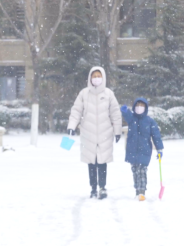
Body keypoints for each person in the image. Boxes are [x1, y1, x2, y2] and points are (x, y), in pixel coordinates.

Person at [67, 66, 122, 200]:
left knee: (102, 162)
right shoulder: (84, 94)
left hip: (105, 133)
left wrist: (117, 131)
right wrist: (71, 126)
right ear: (90, 78)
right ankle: (93, 188)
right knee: (91, 162)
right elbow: (76, 111)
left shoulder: (108, 94)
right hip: (88, 133)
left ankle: (102, 188)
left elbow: (115, 112)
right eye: (94, 76)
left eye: (99, 76)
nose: (96, 78)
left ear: (103, 77)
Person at [120, 98, 163, 201]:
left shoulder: (149, 121)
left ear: (145, 108)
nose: (139, 108)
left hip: (145, 150)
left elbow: (156, 135)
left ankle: (142, 191)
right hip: (132, 150)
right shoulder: (132, 119)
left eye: (142, 106)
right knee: (135, 171)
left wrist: (159, 149)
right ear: (135, 107)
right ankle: (137, 190)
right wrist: (124, 110)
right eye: (138, 105)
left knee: (142, 171)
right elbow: (127, 114)